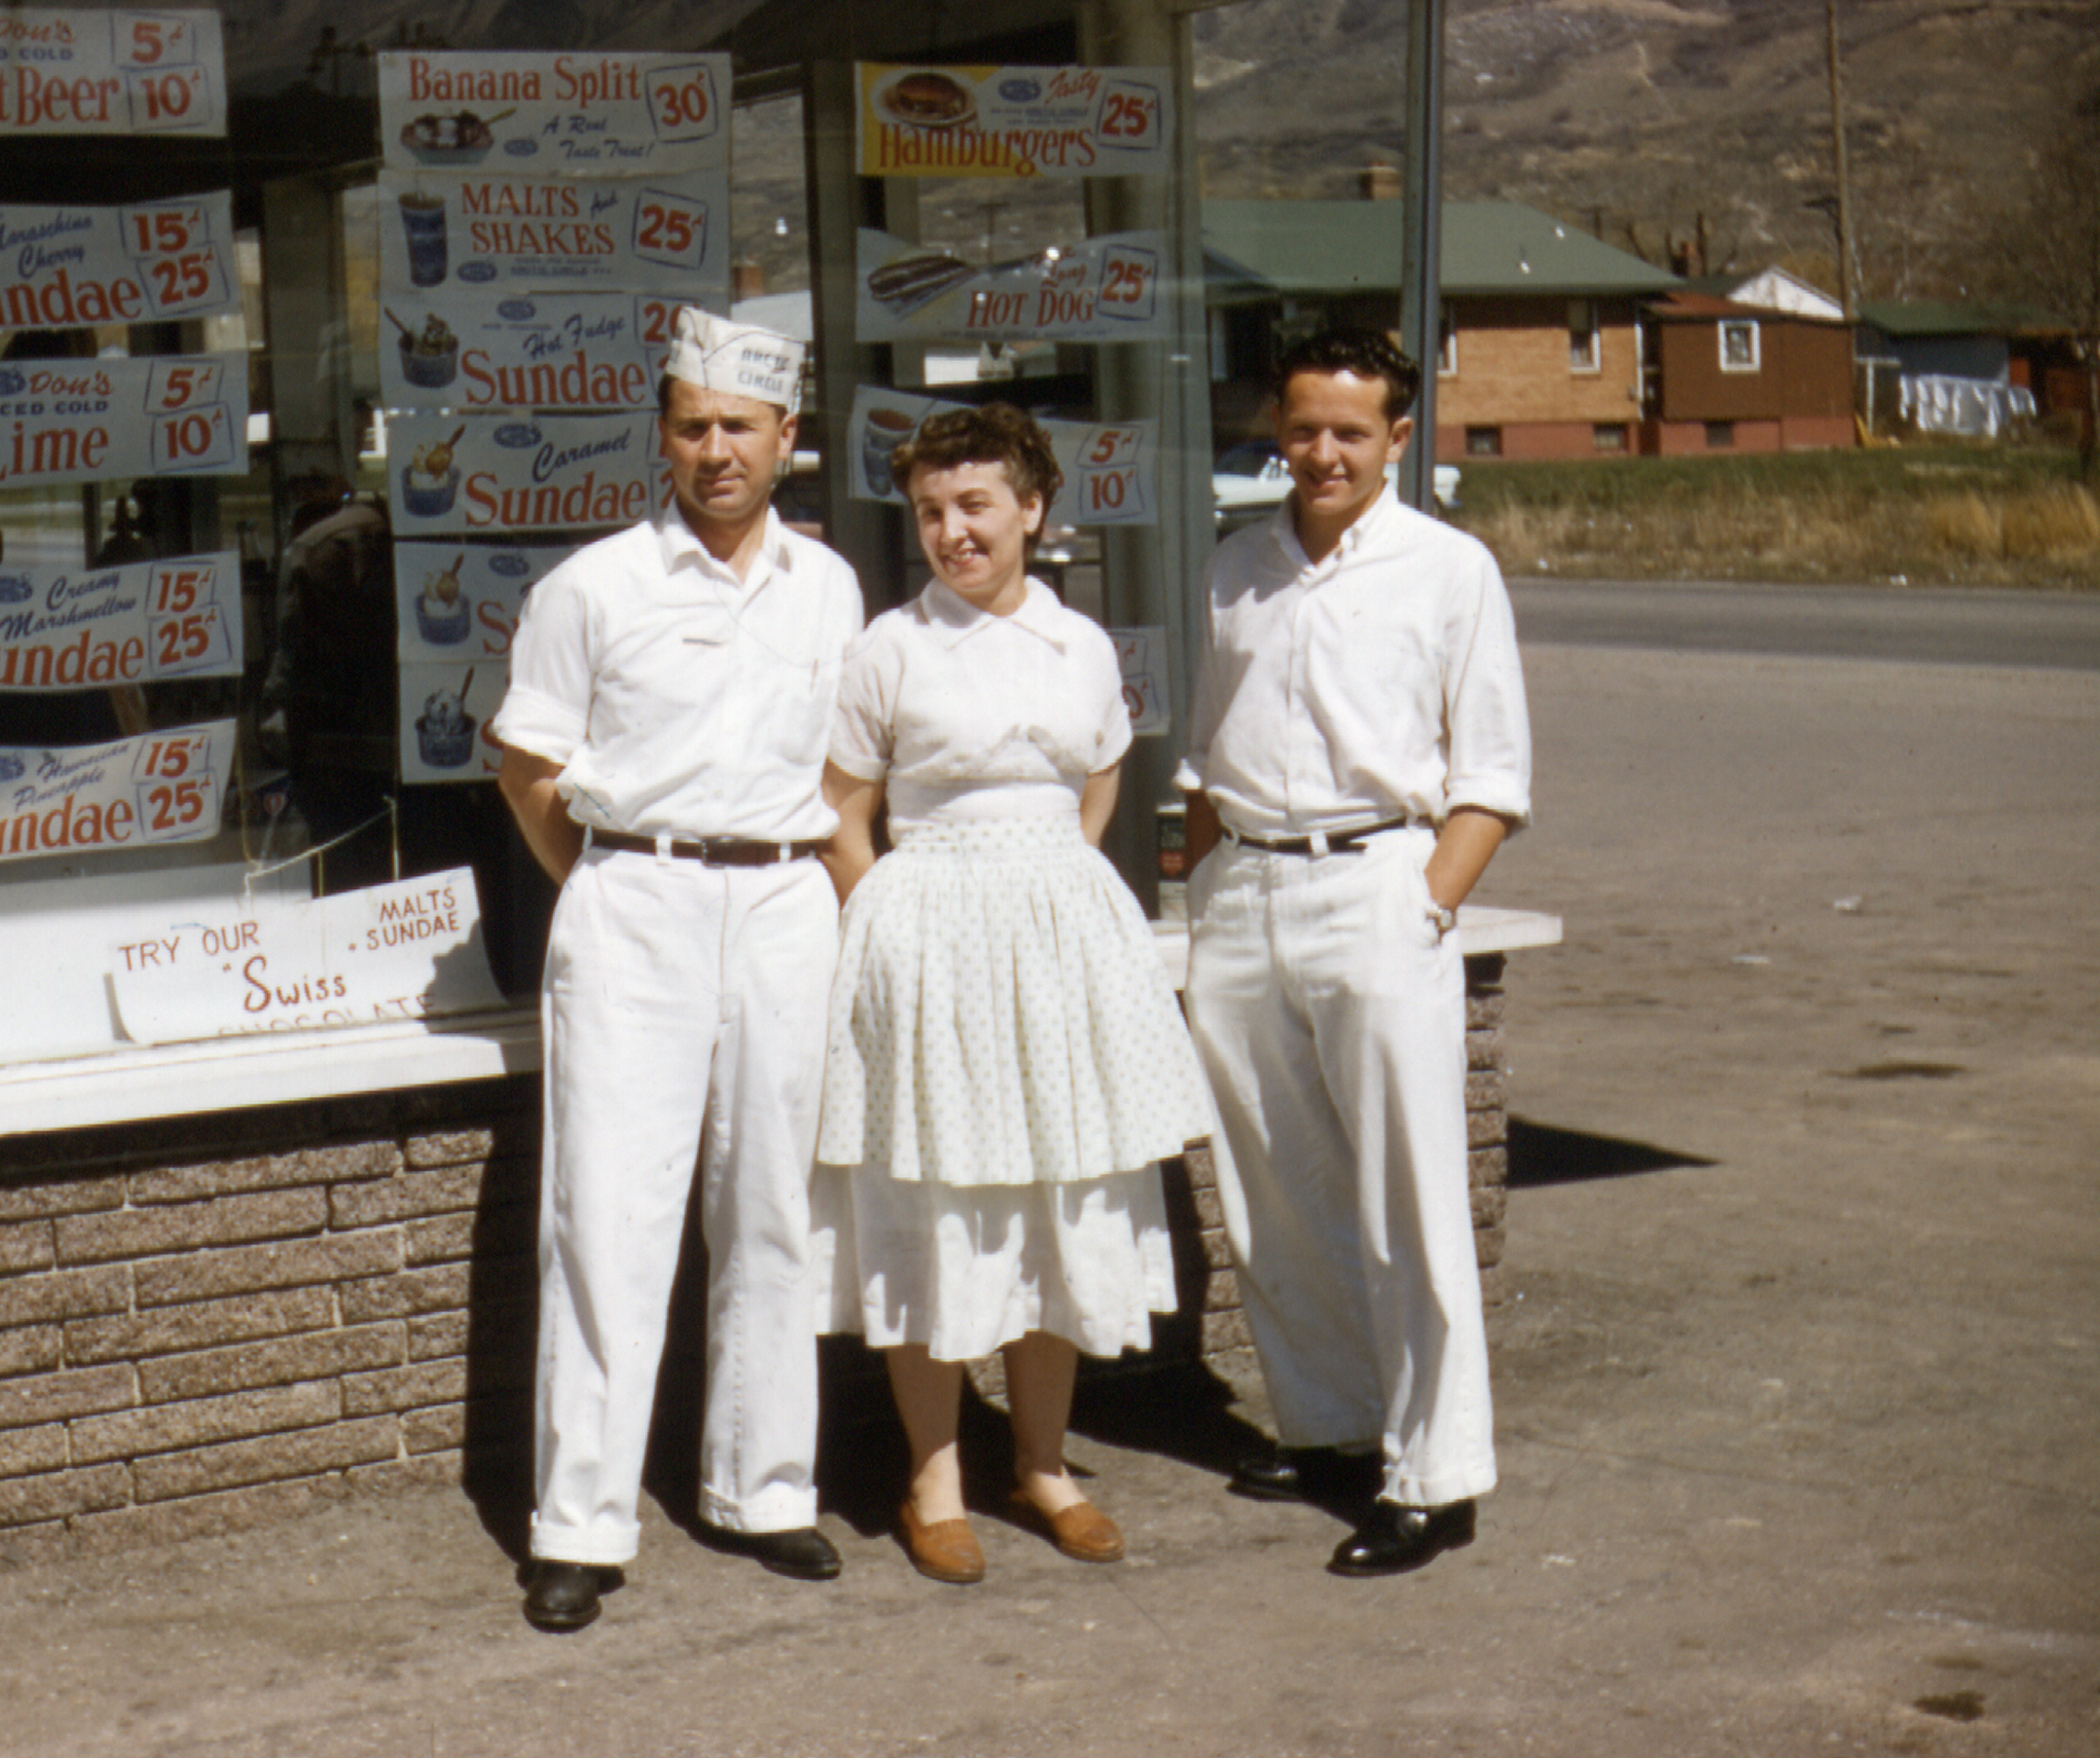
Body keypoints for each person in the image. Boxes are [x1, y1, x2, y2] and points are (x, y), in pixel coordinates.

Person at [494, 308, 864, 1632]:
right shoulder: (590, 586)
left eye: (742, 428)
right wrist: (613, 883)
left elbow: (842, 768)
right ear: (662, 435)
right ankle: (579, 1523)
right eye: (694, 424)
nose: (718, 450)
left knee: (772, 1201)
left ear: (786, 441)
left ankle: (762, 1487)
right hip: (635, 894)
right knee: (608, 1210)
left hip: (782, 899)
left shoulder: (828, 585)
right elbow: (527, 764)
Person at [814, 404, 1211, 1585]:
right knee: (938, 1202)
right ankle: (933, 1479)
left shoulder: (1079, 644)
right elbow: (840, 807)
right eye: (932, 511)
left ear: (1033, 508)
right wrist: (900, 916)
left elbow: (1100, 773)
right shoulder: (891, 646)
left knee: (1058, 1191)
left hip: (1058, 951)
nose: (953, 531)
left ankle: (1043, 1466)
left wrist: (1044, 890)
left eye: (976, 505)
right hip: (930, 944)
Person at [1178, 328, 1531, 1576]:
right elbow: (1210, 753)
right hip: (1247, 895)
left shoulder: (1450, 569)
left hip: (1379, 886)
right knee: (1275, 1185)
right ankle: (1328, 1422)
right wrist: (1206, 880)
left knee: (1408, 1193)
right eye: (1303, 426)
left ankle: (1435, 1477)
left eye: (1351, 431)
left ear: (1395, 437)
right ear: (1276, 426)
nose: (1322, 452)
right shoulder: (1236, 566)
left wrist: (1424, 906)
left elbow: (1490, 778)